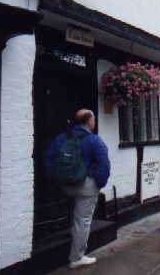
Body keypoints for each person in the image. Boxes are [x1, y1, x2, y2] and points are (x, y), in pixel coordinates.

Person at [45, 109, 111, 268]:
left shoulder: (61, 138)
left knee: (73, 215)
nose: (94, 121)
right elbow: (104, 167)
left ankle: (73, 238)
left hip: (65, 185)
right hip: (86, 185)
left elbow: (48, 160)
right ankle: (76, 258)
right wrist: (97, 184)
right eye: (93, 118)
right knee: (83, 221)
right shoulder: (94, 140)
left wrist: (58, 180)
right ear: (89, 122)